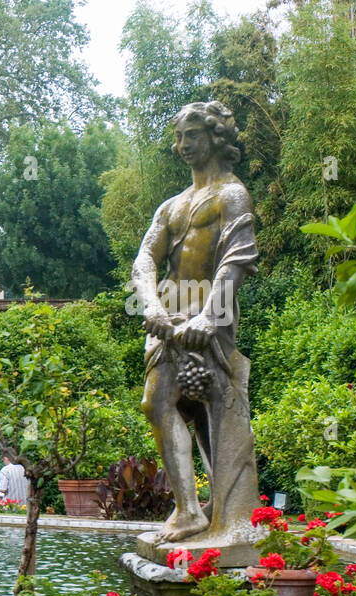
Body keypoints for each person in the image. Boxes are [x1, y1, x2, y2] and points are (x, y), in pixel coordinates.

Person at [131, 100, 259, 547]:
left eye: (193, 135)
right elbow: (145, 258)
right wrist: (150, 305)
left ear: (214, 137)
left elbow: (237, 260)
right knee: (157, 403)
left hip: (211, 316)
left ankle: (229, 512)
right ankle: (188, 511)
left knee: (214, 411)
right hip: (168, 316)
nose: (184, 144)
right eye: (180, 137)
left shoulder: (232, 195)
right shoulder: (171, 206)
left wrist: (209, 315)